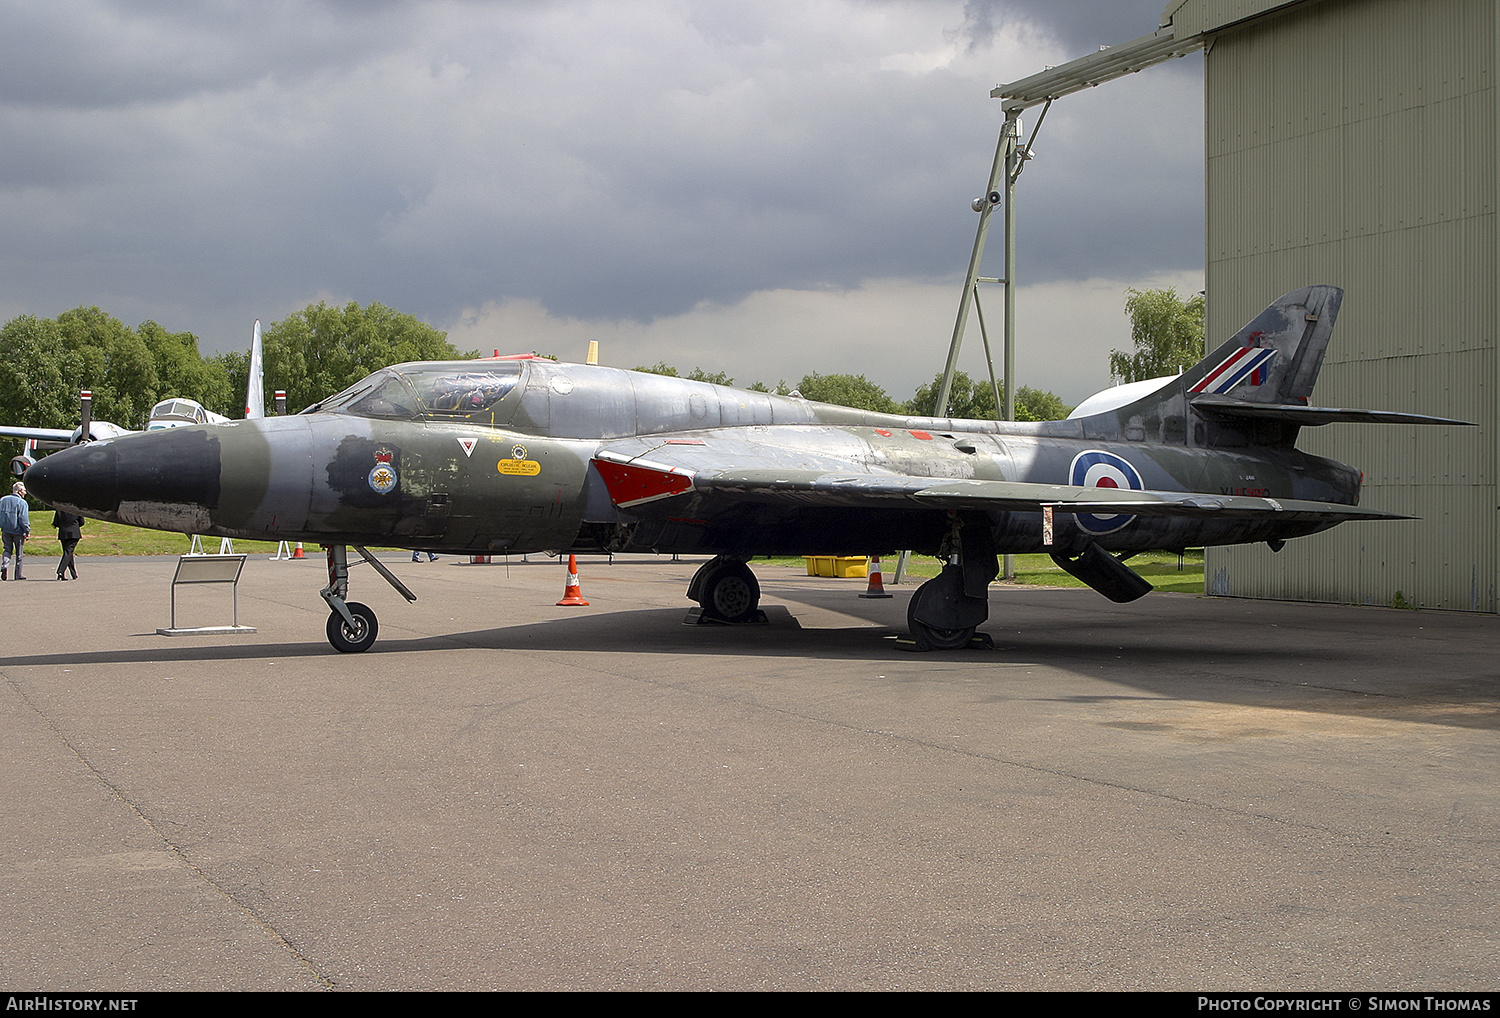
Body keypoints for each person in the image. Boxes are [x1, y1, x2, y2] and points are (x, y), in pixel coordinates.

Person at [0, 481, 30, 581]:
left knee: (7, 549)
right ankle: (18, 574)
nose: (25, 493)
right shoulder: (22, 503)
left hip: (5, 529)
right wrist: (27, 530)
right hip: (18, 531)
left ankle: (4, 565)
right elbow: (23, 518)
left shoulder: (3, 500)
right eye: (24, 491)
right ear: (20, 491)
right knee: (19, 553)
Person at [52, 508, 83, 580]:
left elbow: (56, 522)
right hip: (74, 532)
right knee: (68, 552)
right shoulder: (76, 509)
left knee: (67, 553)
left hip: (63, 533)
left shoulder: (60, 509)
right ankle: (60, 571)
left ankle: (72, 573)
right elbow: (82, 522)